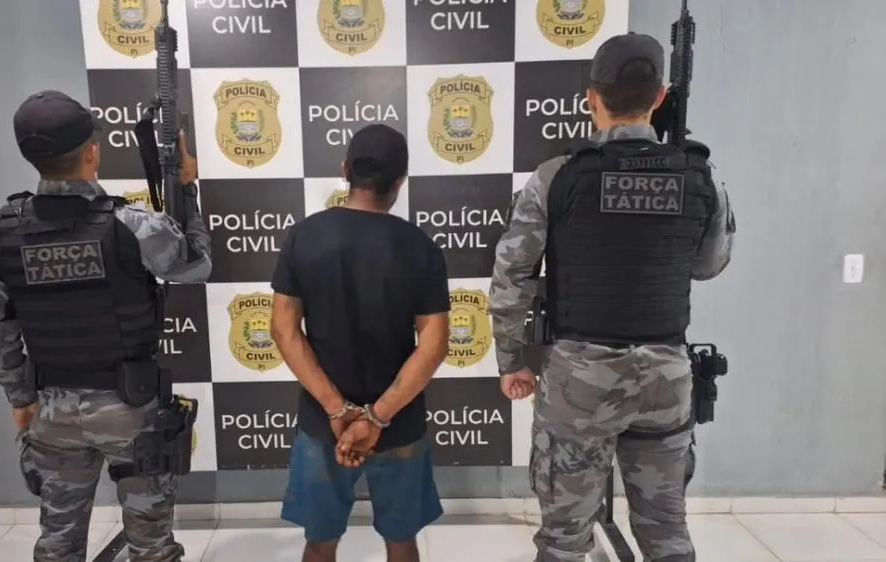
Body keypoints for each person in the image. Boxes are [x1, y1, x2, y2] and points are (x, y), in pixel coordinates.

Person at [489, 34, 736, 562]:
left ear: (591, 98)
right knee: (666, 531)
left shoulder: (556, 177)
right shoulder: (700, 174)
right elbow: (709, 265)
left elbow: (512, 277)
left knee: (564, 539)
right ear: (661, 96)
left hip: (580, 385)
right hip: (666, 378)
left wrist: (511, 360)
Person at [0, 90, 212, 562]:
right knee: (151, 547)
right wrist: (185, 190)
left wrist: (20, 398)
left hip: (51, 409)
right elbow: (196, 266)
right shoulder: (133, 226)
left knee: (58, 542)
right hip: (131, 409)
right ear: (92, 152)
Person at [270, 123, 450, 562]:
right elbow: (434, 345)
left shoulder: (305, 236)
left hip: (322, 423)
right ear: (400, 182)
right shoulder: (421, 247)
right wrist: (376, 417)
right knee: (402, 542)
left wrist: (338, 410)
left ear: (345, 170)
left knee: (319, 543)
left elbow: (283, 330)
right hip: (398, 422)